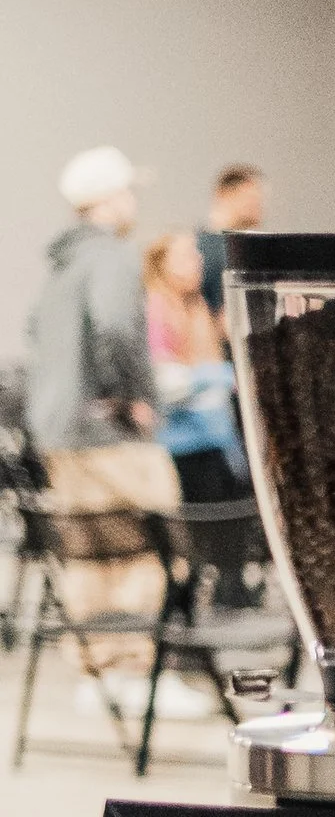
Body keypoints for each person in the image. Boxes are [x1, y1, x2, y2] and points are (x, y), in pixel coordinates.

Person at [24, 144, 180, 670]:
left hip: (59, 428)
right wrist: (136, 396)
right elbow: (115, 327)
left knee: (89, 549)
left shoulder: (60, 266)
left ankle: (98, 670)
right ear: (111, 199)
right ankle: (135, 666)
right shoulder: (110, 256)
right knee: (151, 538)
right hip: (105, 426)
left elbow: (34, 336)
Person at [143, 230, 249, 500]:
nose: (198, 261)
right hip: (184, 448)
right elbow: (165, 383)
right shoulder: (157, 310)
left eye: (196, 253)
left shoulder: (197, 307)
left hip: (218, 443)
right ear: (163, 265)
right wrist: (222, 377)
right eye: (186, 256)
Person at [197, 165, 267, 330]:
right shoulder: (199, 249)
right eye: (251, 198)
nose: (258, 207)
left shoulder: (249, 249)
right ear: (224, 194)